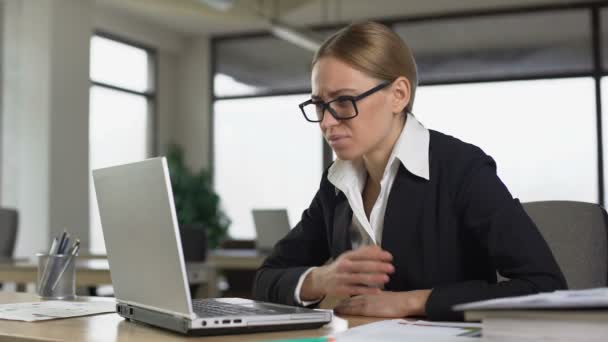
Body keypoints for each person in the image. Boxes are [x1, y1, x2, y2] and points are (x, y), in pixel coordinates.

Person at [253, 21, 566, 321]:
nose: (326, 121)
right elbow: (267, 278)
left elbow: (545, 285)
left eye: (344, 101)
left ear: (398, 95)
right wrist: (321, 279)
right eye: (320, 104)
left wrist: (415, 300)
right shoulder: (337, 183)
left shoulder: (461, 168)